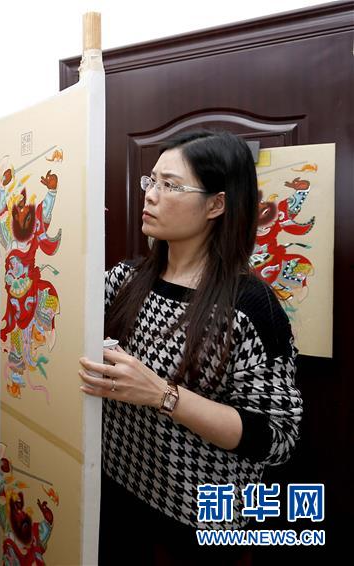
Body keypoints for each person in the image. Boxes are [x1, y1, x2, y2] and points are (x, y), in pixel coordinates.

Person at [78, 130, 303, 564]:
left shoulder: (250, 306)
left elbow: (277, 438)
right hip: (117, 494)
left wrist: (162, 395)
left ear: (216, 205)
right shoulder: (125, 280)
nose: (151, 195)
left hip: (200, 523)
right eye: (152, 181)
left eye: (171, 185)